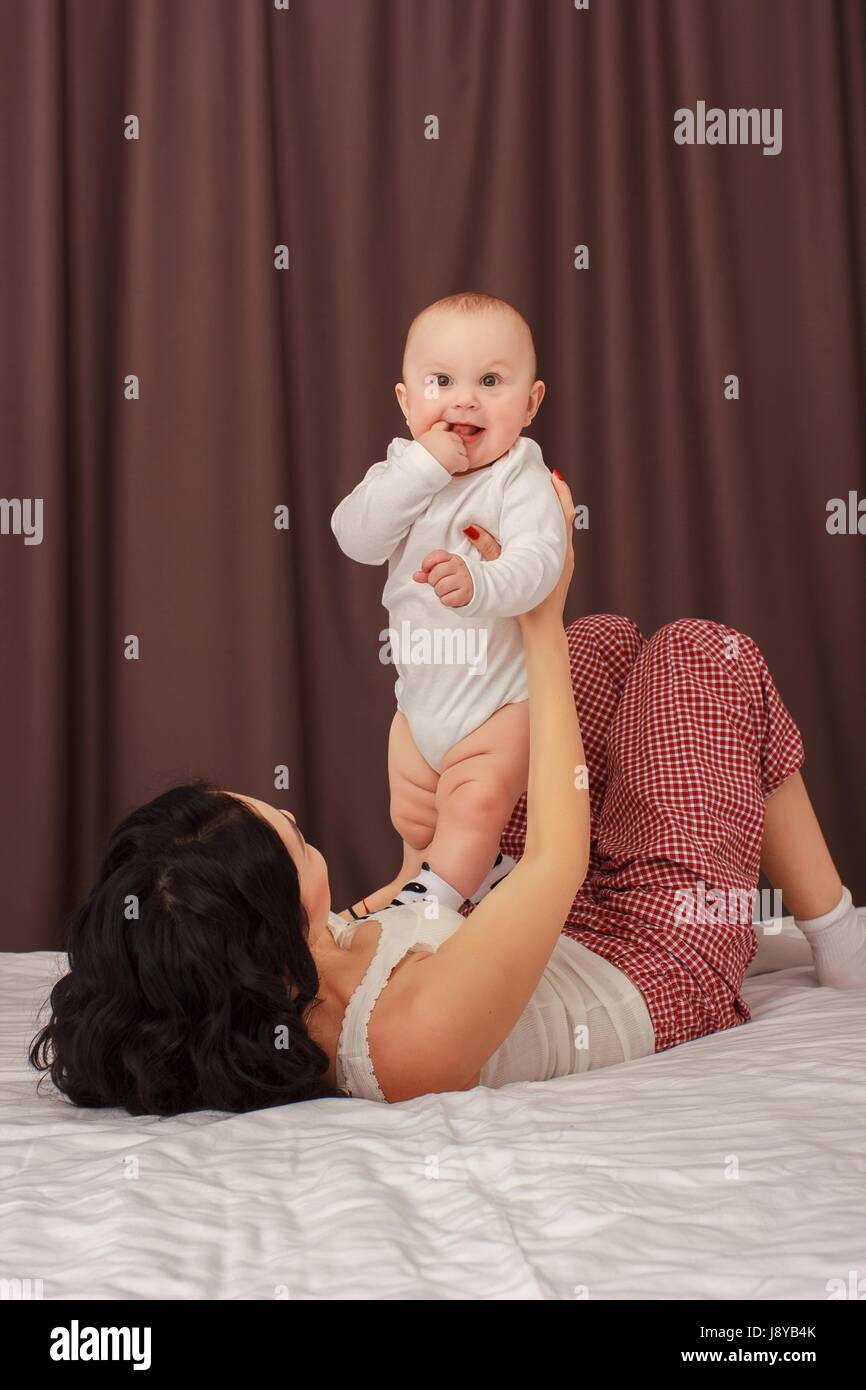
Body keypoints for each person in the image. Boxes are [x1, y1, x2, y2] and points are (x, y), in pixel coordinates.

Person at [30, 479, 865, 1114]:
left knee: (599, 650)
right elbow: (556, 865)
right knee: (702, 655)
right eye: (293, 840)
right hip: (652, 956)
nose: (293, 816)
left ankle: (752, 885)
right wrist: (538, 611)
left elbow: (430, 892)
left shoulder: (302, 959)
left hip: (541, 920)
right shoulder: (402, 1044)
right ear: (273, 940)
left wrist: (423, 806)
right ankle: (832, 932)